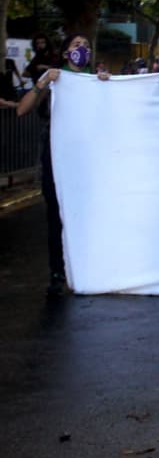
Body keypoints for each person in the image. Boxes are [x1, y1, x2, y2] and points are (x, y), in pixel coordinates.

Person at [16, 34, 109, 297]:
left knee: (92, 212)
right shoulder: (57, 79)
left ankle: (91, 266)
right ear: (67, 53)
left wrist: (107, 83)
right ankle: (58, 269)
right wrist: (42, 83)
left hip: (91, 157)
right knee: (57, 213)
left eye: (87, 46)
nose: (83, 50)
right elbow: (22, 110)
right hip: (57, 155)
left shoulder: (97, 79)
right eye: (76, 46)